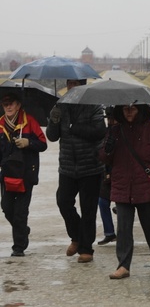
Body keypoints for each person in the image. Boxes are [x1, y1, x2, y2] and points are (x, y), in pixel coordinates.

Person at [100, 104, 150, 279]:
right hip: (122, 185)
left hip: (146, 184)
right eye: (125, 109)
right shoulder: (115, 130)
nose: (129, 112)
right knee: (123, 228)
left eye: (133, 108)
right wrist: (107, 147)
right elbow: (103, 158)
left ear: (140, 109)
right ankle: (123, 265)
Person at [47, 79, 107, 263]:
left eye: (76, 83)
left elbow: (99, 131)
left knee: (88, 208)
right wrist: (54, 119)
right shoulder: (60, 105)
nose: (73, 87)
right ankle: (76, 236)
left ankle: (86, 248)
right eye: (70, 83)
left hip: (90, 166)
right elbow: (52, 136)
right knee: (63, 202)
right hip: (67, 166)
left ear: (84, 84)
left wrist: (75, 128)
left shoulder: (94, 105)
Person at [0, 92, 48, 256]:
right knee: (6, 208)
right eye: (5, 103)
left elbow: (43, 144)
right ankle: (23, 230)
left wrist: (29, 143)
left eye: (11, 103)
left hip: (26, 173)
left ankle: (18, 247)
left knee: (20, 212)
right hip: (6, 174)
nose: (8, 106)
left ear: (19, 104)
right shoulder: (0, 123)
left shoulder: (30, 121)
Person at [97, 106, 116, 246]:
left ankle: (123, 233)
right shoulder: (104, 132)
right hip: (106, 173)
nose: (110, 121)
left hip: (120, 173)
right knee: (103, 202)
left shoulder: (124, 131)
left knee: (123, 206)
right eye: (109, 118)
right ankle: (109, 232)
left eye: (112, 118)